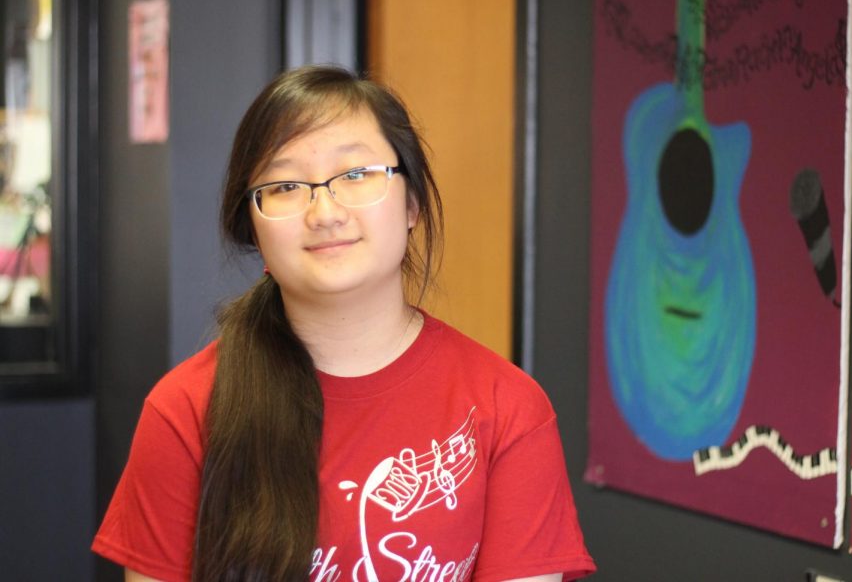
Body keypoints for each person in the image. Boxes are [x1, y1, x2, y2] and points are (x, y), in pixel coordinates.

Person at [92, 65, 596, 582]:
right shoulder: (185, 411)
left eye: (356, 175)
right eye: (285, 185)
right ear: (254, 227)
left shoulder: (506, 408)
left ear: (412, 204)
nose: (325, 212)